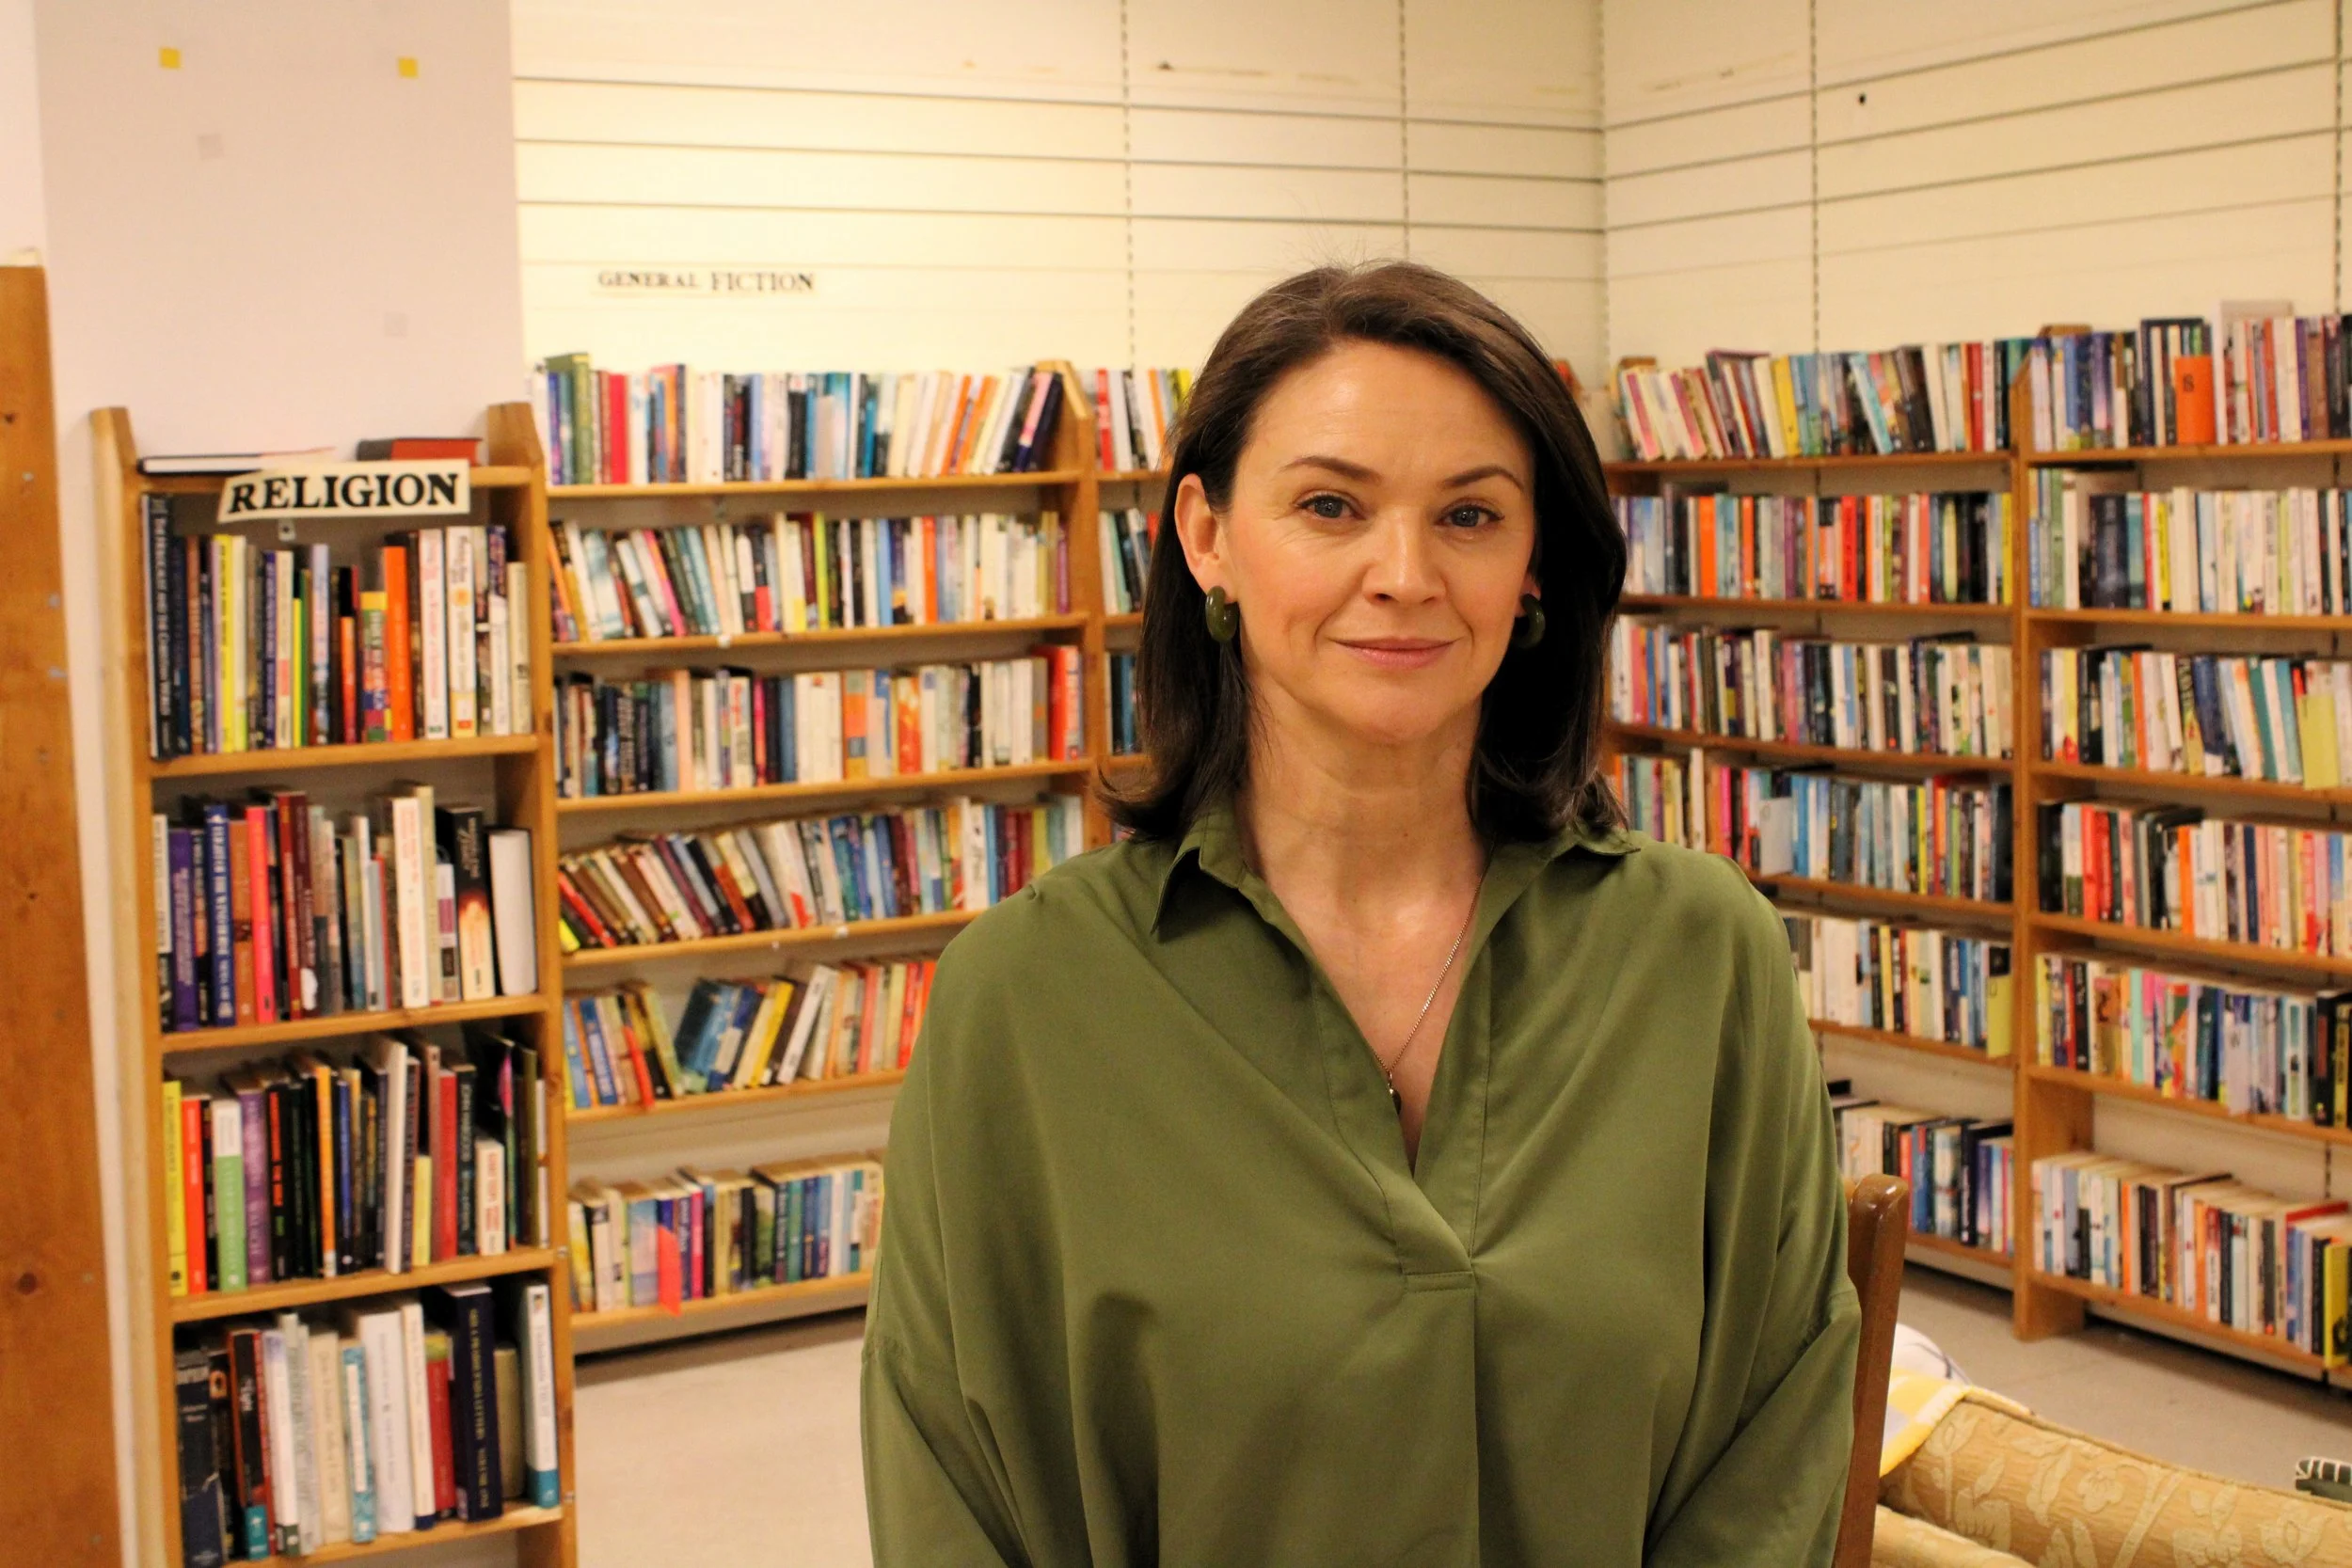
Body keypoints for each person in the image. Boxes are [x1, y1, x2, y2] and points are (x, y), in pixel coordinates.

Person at [861, 260, 1860, 1566]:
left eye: (1470, 515)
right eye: (1330, 505)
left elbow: (1777, 1444)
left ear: (1533, 564)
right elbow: (956, 1491)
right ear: (1208, 536)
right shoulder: (1028, 996)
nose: (1404, 573)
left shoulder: (1700, 954)